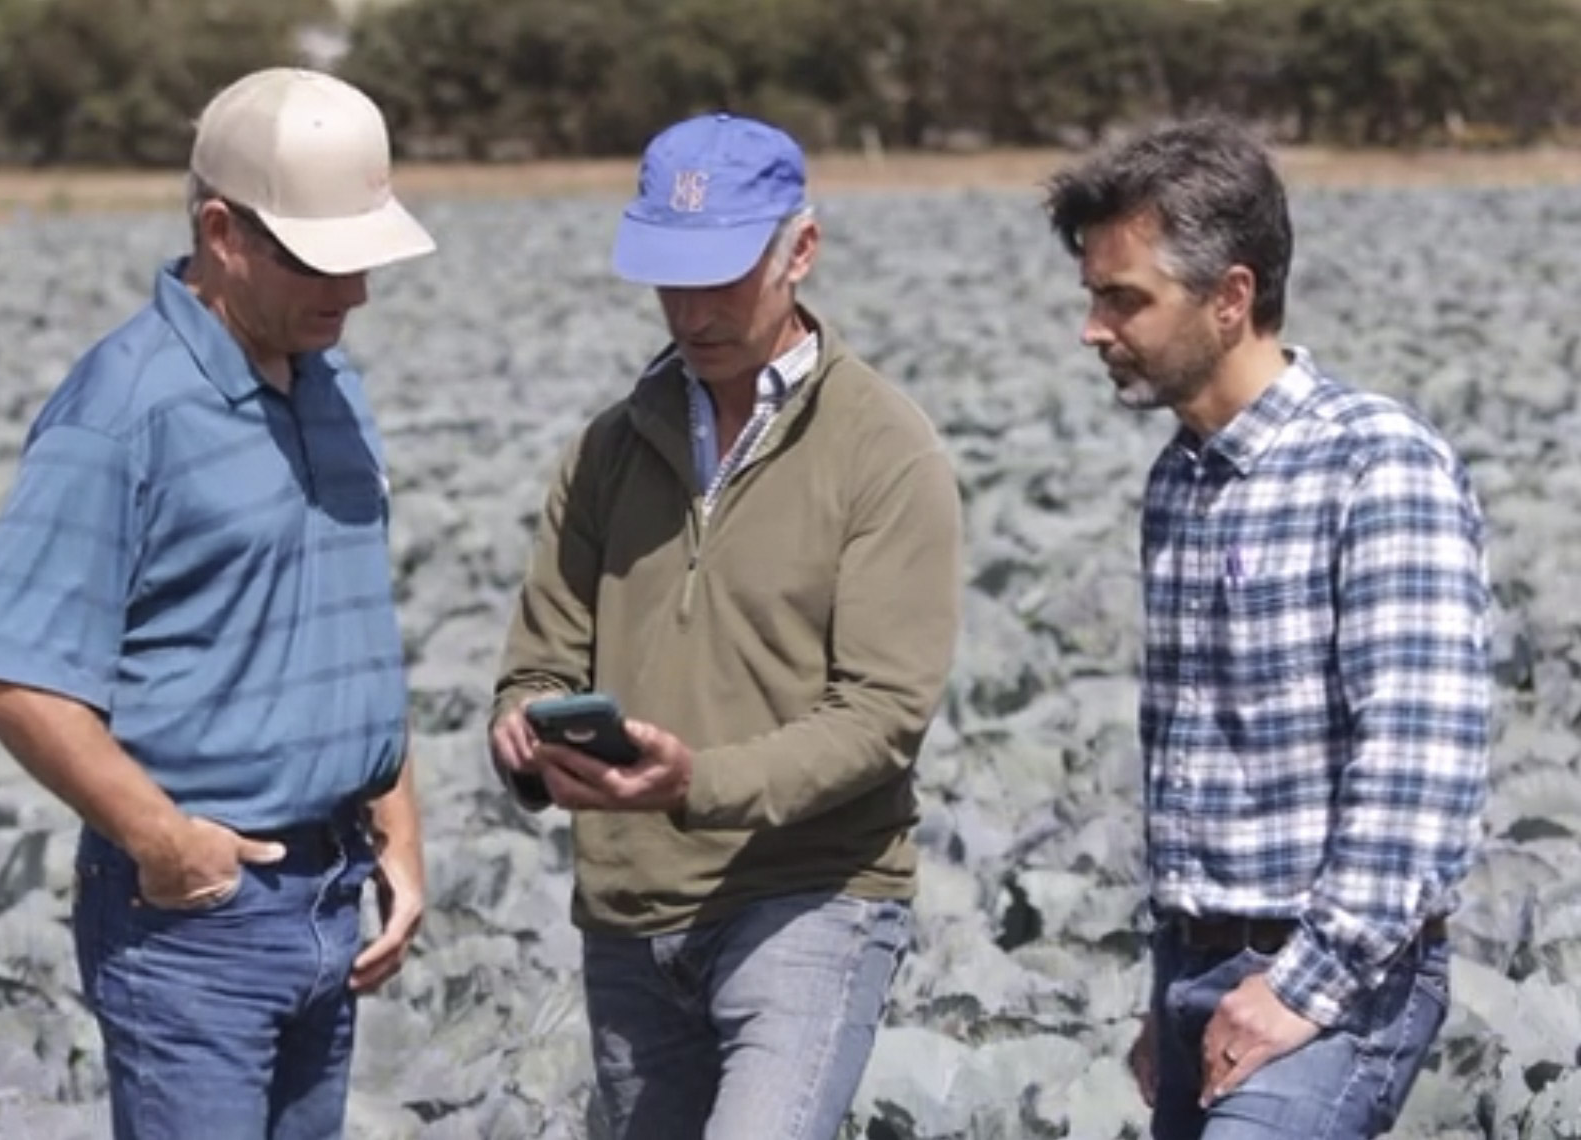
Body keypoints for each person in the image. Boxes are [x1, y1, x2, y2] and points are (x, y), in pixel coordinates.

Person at [0, 67, 433, 1140]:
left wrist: (397, 827)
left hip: (331, 897)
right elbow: (10, 671)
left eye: (363, 263)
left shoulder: (330, 384)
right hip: (194, 927)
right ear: (222, 231)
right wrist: (165, 844)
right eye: (321, 262)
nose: (351, 296)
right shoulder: (122, 408)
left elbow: (346, 621)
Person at [486, 111, 963, 1139]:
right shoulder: (608, 451)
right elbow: (537, 658)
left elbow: (880, 715)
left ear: (800, 250)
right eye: (670, 275)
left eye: (722, 275)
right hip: (626, 911)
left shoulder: (883, 450)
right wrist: (523, 732)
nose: (691, 309)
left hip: (804, 897)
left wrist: (695, 783)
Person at [1043, 116, 1491, 1139]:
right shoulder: (1178, 479)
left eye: (1123, 299)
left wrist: (1297, 987)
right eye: (1091, 297)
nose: (1092, 329)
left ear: (1229, 297)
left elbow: (1416, 765)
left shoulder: (1375, 463)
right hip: (1197, 966)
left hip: (1337, 977)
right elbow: (1196, 762)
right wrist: (1171, 988)